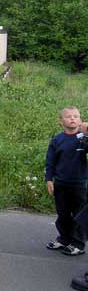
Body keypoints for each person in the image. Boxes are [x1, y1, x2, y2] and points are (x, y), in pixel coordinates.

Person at [45, 107, 87, 256]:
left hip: (80, 184)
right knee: (62, 214)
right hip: (61, 183)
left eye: (76, 116)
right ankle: (64, 239)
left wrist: (86, 132)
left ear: (81, 120)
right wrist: (49, 179)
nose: (72, 119)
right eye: (68, 116)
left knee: (79, 215)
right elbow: (50, 161)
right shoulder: (57, 140)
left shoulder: (83, 139)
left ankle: (78, 243)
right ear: (61, 121)